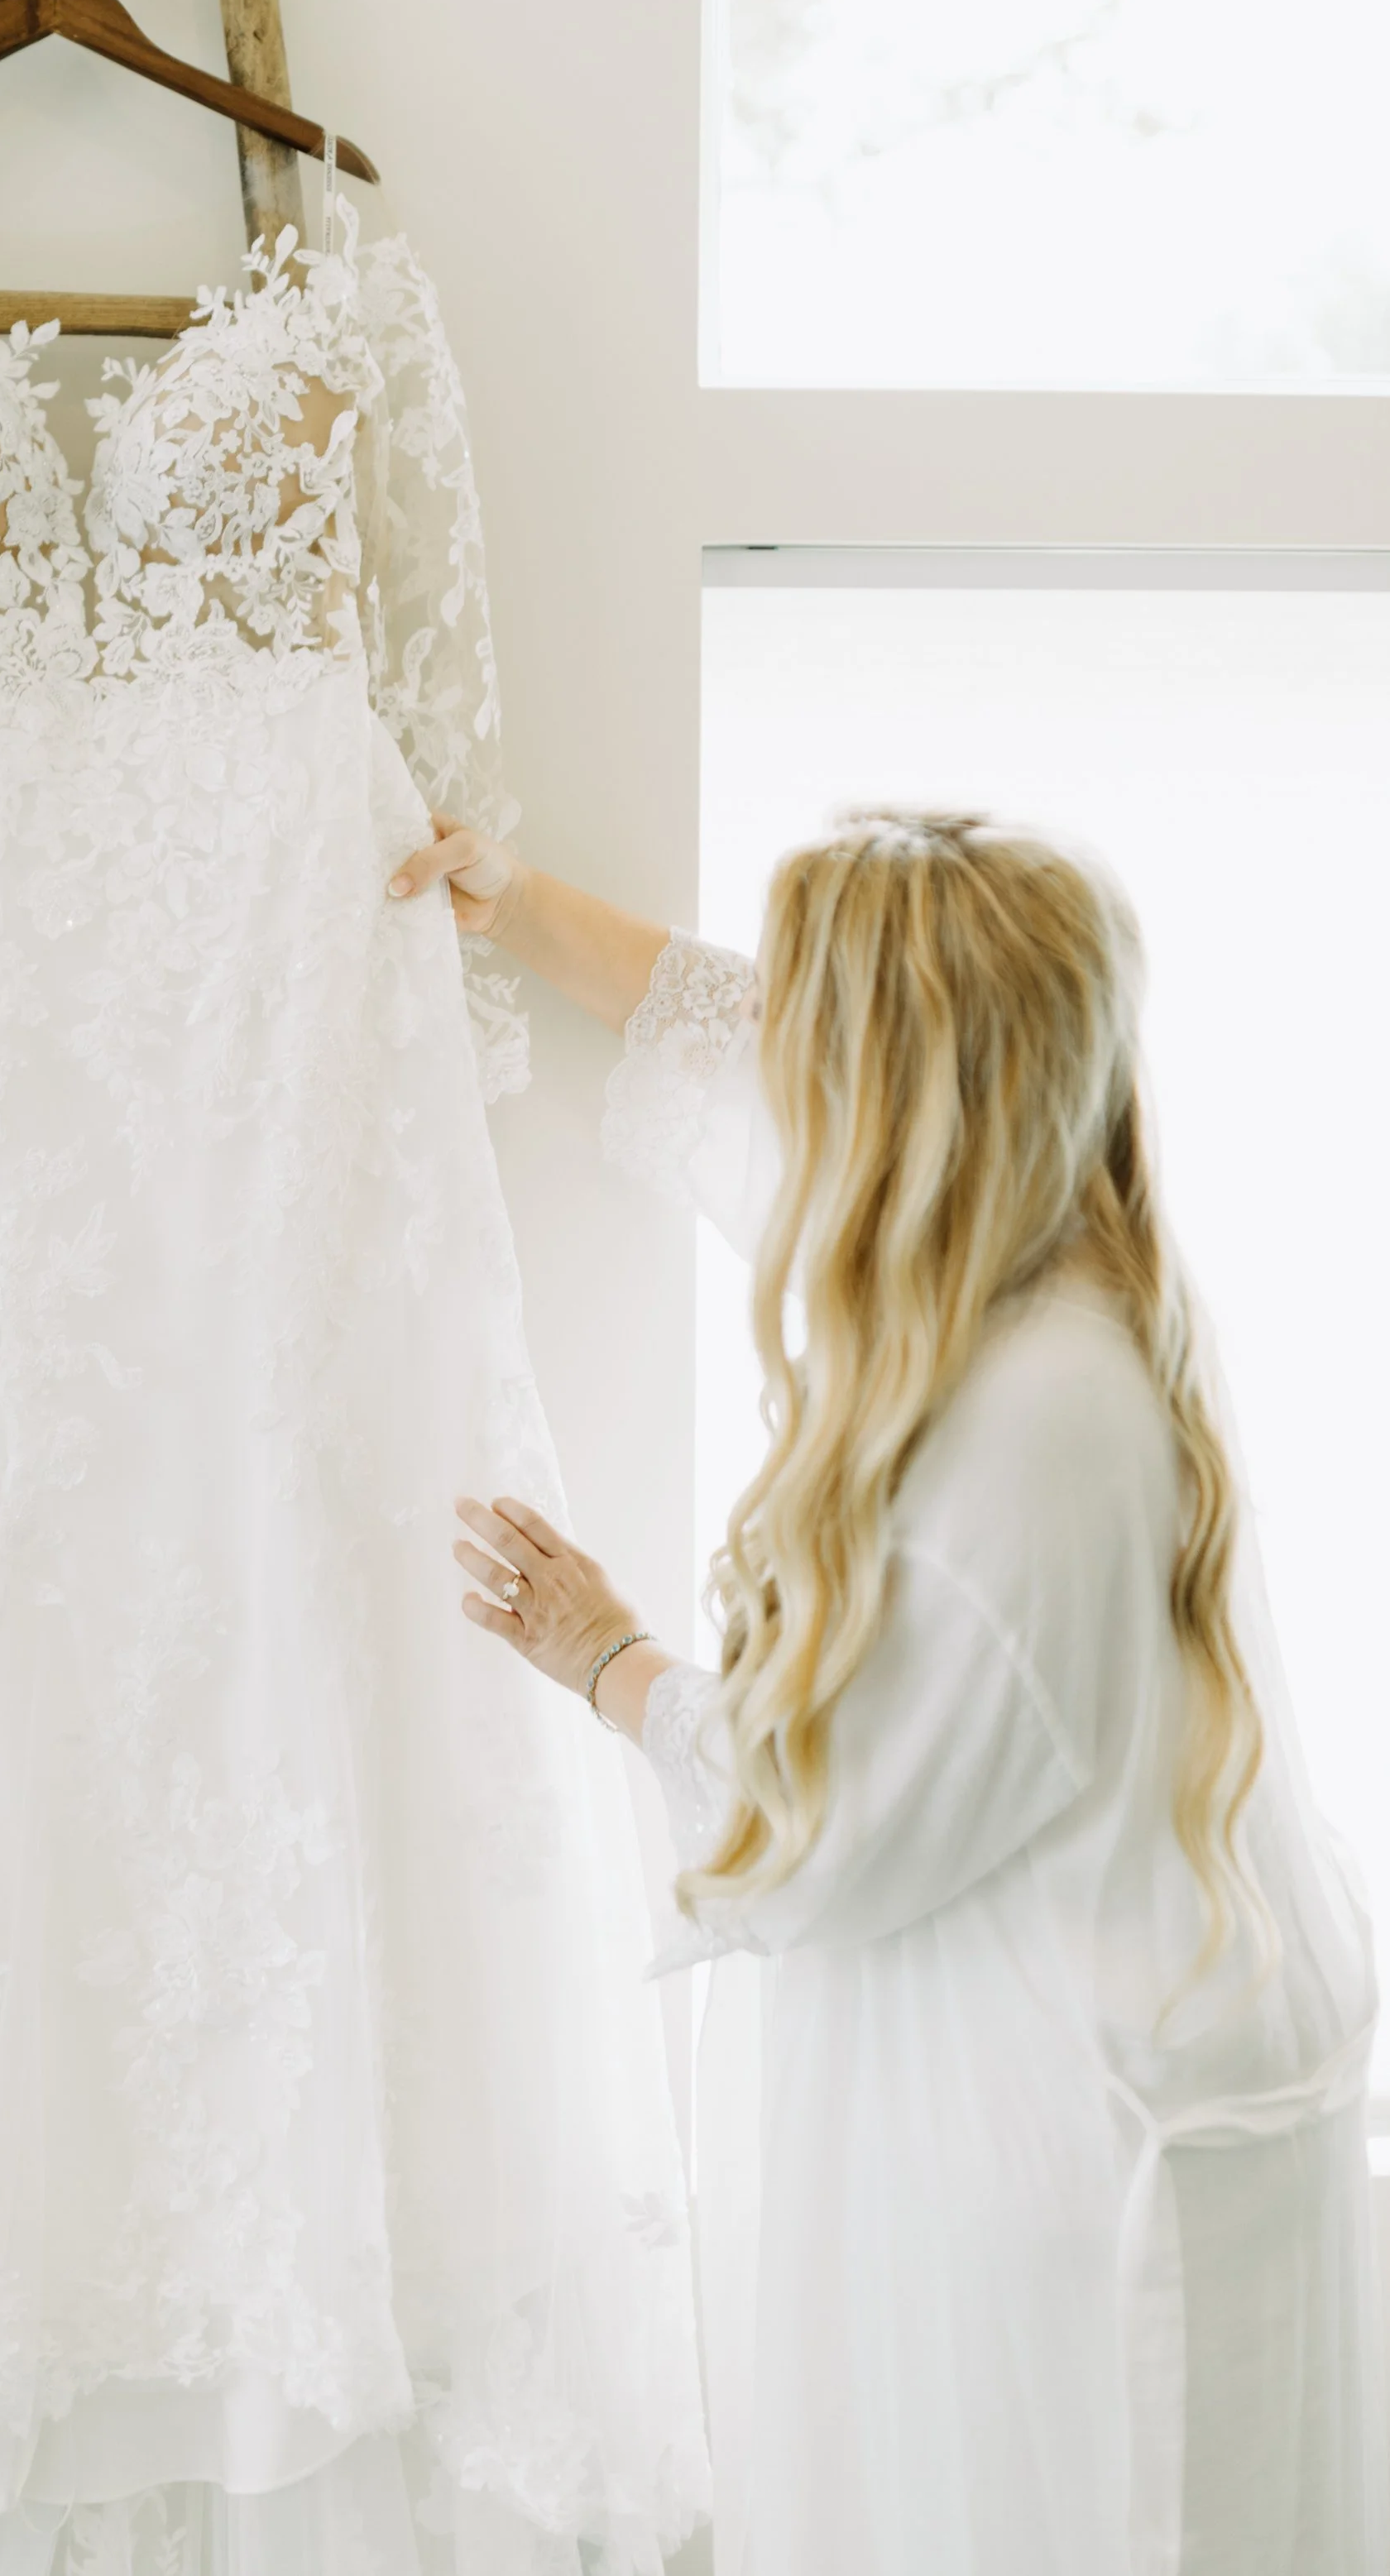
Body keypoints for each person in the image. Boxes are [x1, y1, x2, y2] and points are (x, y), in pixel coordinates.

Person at [386, 806, 1383, 2576]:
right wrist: (518, 905)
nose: (773, 1060)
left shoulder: (1033, 1419)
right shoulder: (1044, 1256)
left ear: (895, 1091)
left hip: (1076, 2175)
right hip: (1099, 2103)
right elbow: (723, 1035)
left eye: (814, 1034)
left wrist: (604, 1658)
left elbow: (828, 1834)